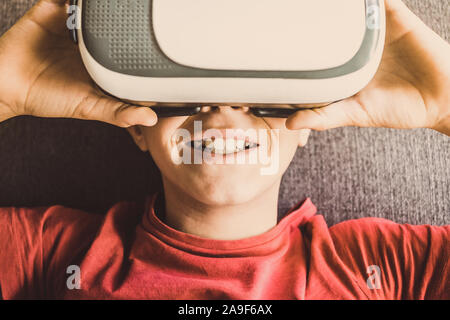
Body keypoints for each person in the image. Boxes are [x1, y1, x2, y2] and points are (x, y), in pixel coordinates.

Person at [0, 0, 448, 299]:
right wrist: (8, 88)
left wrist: (443, 103)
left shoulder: (381, 264)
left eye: (258, 90)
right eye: (187, 86)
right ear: (136, 127)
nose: (224, 107)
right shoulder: (52, 251)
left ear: (311, 120)